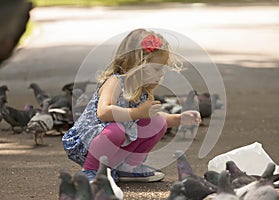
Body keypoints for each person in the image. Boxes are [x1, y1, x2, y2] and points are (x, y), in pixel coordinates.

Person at [62, 28, 201, 182]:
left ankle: (127, 168)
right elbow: (103, 112)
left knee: (157, 123)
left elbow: (151, 115)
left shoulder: (143, 91)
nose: (161, 74)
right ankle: (91, 170)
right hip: (88, 144)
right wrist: (137, 113)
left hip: (114, 145)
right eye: (156, 68)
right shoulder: (115, 82)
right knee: (117, 130)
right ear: (137, 64)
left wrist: (178, 119)